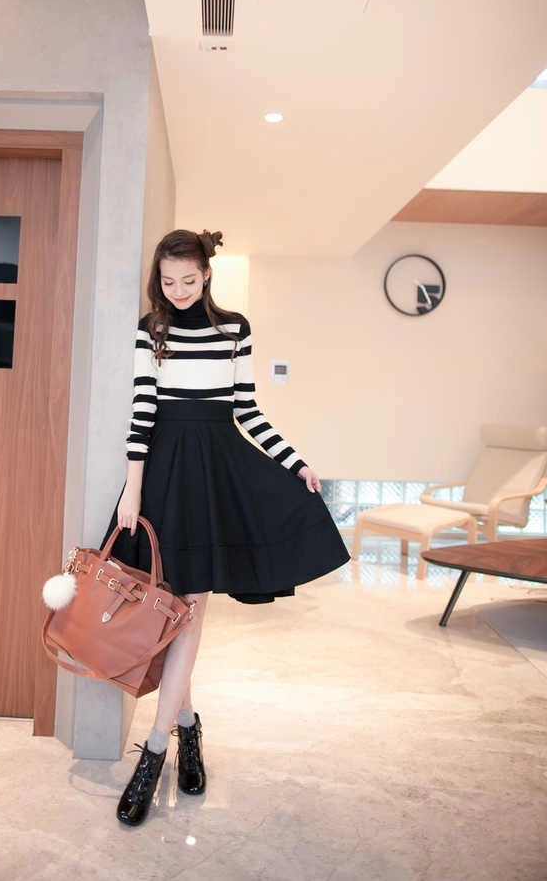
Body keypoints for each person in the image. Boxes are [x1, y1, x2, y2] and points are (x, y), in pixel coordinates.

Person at [104, 228, 349, 826]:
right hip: (163, 472)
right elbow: (143, 408)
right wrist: (132, 488)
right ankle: (187, 727)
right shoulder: (150, 329)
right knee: (168, 608)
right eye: (169, 281)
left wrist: (294, 463)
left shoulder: (234, 328)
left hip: (216, 471)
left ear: (207, 275)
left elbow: (247, 409)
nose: (179, 290)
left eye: (189, 280)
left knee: (190, 606)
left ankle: (154, 751)